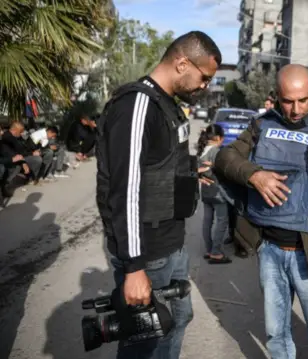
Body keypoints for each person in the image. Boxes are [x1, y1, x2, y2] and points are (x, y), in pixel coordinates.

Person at [95, 31, 221, 359]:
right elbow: (125, 190)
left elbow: (156, 167)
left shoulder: (167, 105)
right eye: (204, 77)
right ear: (182, 64)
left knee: (177, 318)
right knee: (144, 338)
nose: (205, 85)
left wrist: (190, 177)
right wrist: (134, 268)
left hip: (170, 242)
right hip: (148, 252)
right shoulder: (137, 104)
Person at [215, 64, 308, 359]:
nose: (296, 109)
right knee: (277, 336)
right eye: (288, 101)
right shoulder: (261, 126)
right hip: (270, 250)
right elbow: (225, 157)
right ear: (276, 96)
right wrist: (253, 175)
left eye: (303, 100)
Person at [197, 124, 232, 264]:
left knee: (207, 221)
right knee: (222, 221)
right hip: (218, 192)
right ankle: (216, 252)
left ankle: (209, 249)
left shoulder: (202, 150)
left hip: (206, 192)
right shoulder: (216, 152)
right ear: (218, 138)